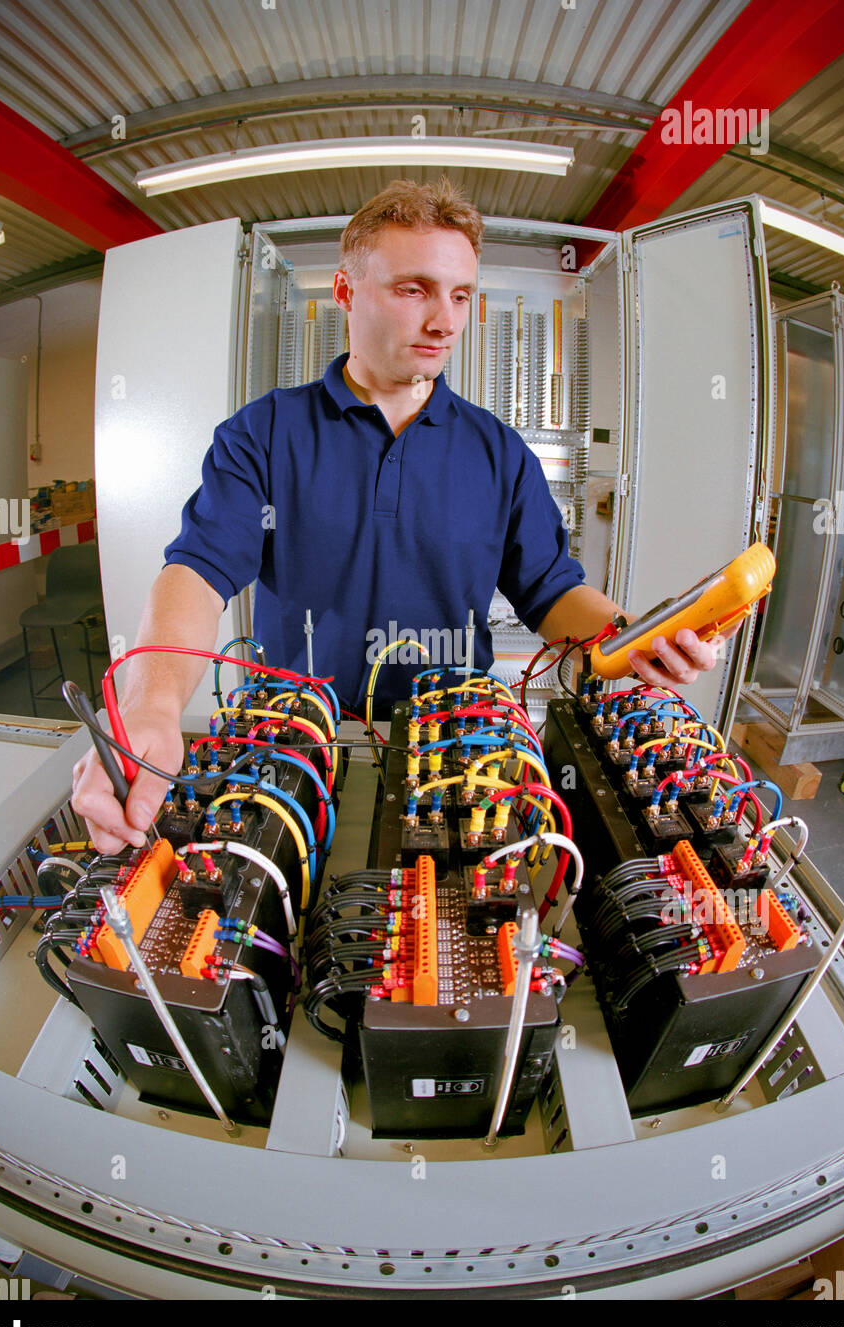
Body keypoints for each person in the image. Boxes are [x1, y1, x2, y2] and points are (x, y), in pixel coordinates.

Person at [73, 177, 725, 854]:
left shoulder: (498, 453)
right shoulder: (264, 434)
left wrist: (630, 636)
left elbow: (552, 590)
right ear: (346, 291)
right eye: (413, 289)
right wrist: (150, 706)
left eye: (461, 295)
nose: (444, 321)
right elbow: (198, 572)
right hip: (299, 751)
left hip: (453, 756)